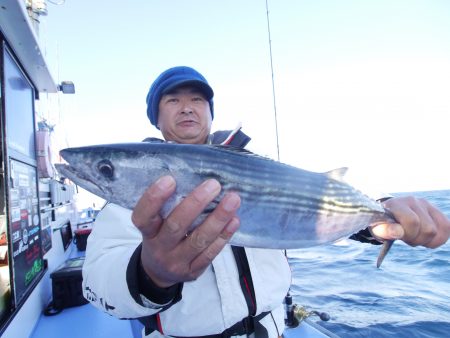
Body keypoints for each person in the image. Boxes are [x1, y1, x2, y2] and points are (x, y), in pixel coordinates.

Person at [82, 66, 450, 338]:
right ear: (156, 116)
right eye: (173, 100)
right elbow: (97, 284)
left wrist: (377, 220)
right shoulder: (124, 204)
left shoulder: (255, 165)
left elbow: (307, 209)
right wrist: (151, 275)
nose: (187, 108)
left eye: (198, 99)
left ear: (211, 113)